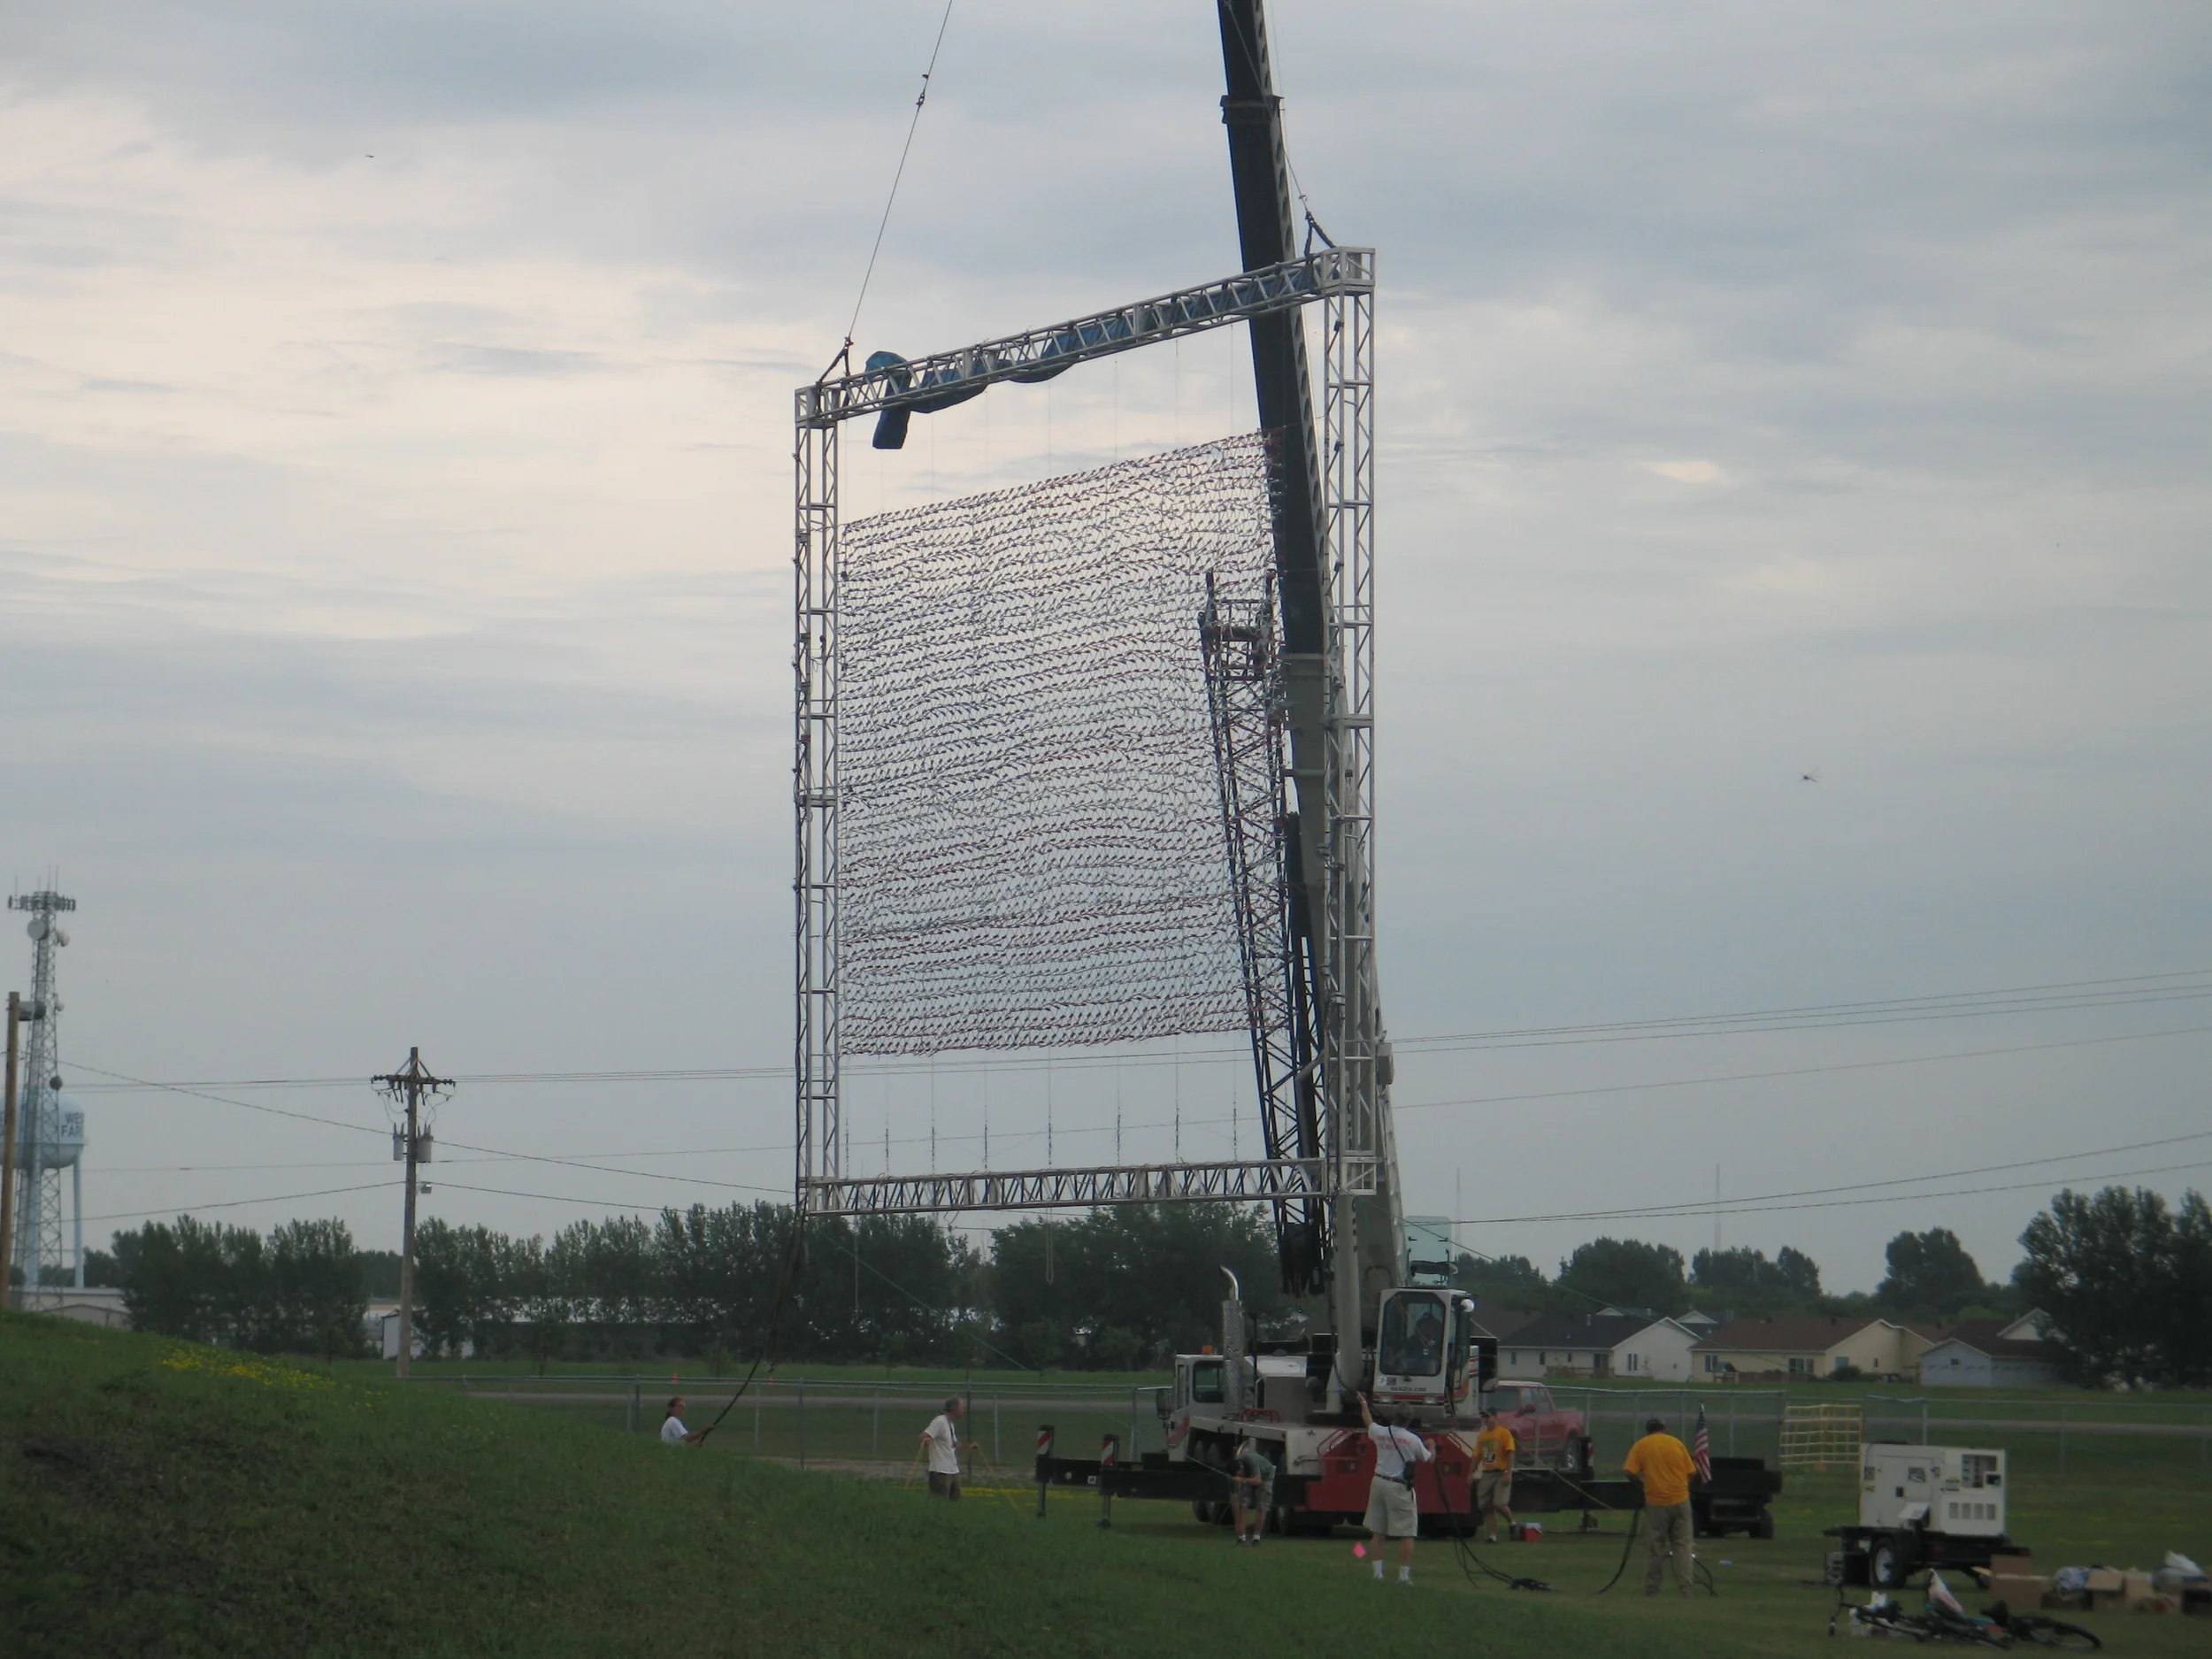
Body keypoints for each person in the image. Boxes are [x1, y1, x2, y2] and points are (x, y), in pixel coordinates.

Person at [1357, 1392, 1433, 1584]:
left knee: (1378, 1531)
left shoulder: (1381, 1432)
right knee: (1407, 1533)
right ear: (1409, 1419)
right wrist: (1432, 1447)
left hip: (1379, 1482)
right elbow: (1429, 1460)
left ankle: (1377, 1574)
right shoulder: (1413, 1439)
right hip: (1399, 1486)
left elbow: (1368, 1422)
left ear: (1394, 1415)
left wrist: (1364, 1403)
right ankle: (1403, 1576)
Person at [1623, 1414, 1699, 1597]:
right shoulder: (1676, 1443)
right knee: (1683, 1546)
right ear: (1664, 1429)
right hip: (1681, 1500)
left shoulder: (1642, 1445)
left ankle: (1652, 1589)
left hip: (1656, 1502)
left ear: (1648, 1431)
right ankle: (1686, 1589)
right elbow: (1692, 1473)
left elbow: (1629, 1471)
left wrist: (1642, 1486)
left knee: (1655, 1547)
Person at [1471, 1406, 1517, 1543]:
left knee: (1499, 1503)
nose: (1486, 1420)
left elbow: (1510, 1452)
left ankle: (1512, 1524)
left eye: (1488, 1416)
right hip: (1487, 1472)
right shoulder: (1483, 1435)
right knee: (1485, 1505)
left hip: (1501, 1472)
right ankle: (1492, 1536)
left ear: (1496, 1417)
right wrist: (1471, 1472)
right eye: (1484, 1417)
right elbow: (1477, 1456)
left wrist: (1508, 1472)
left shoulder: (1504, 1433)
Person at [920, 1395, 978, 1500]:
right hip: (940, 1472)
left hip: (953, 1470)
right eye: (962, 1408)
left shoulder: (950, 1424)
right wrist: (927, 1440)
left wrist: (969, 1446)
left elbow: (953, 1444)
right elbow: (925, 1436)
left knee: (955, 1502)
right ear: (954, 1409)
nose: (964, 1410)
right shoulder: (940, 1421)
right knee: (941, 1502)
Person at [1230, 1437, 1274, 1545]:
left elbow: (1258, 1480)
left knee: (1261, 1507)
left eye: (1238, 1473)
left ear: (1241, 1467)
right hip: (1249, 1478)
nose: (1238, 1475)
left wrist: (1243, 1480)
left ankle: (1256, 1537)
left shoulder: (1252, 1461)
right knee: (1243, 1505)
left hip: (1265, 1476)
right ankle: (1242, 1537)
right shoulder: (1238, 1463)